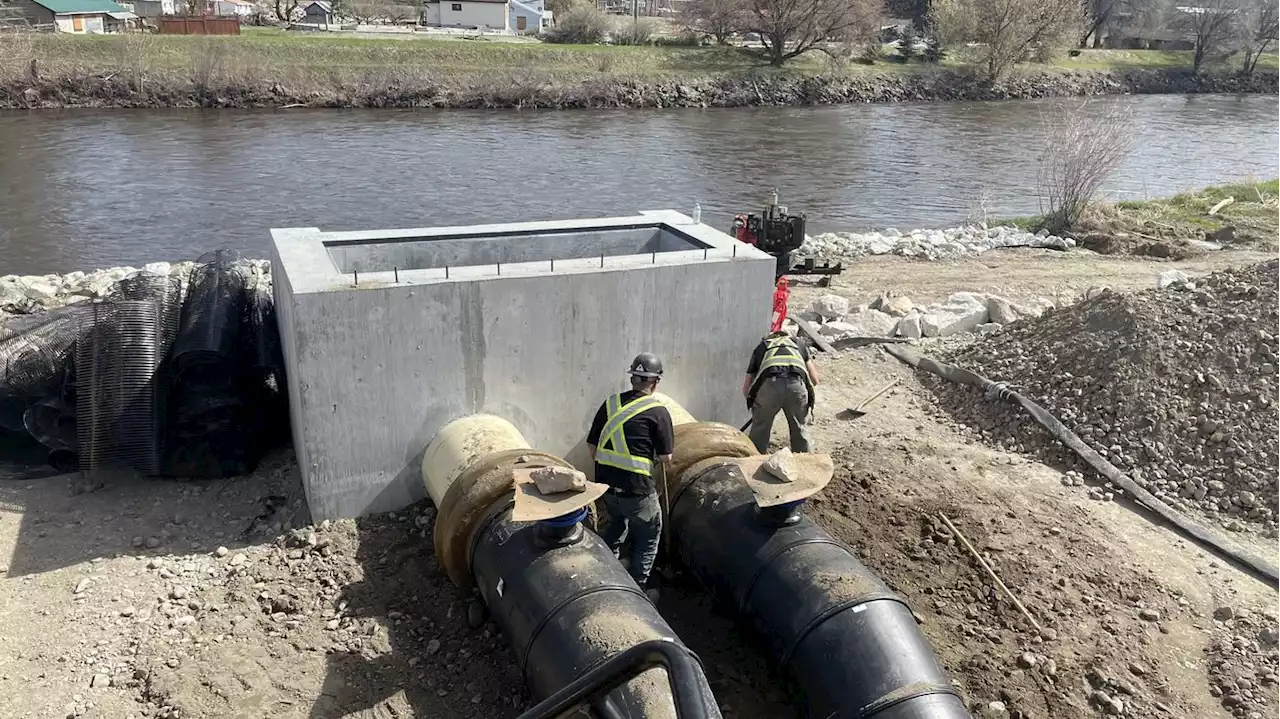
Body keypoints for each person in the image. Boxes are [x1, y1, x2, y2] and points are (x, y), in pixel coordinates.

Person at [587, 352, 674, 589]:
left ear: (633, 379)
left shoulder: (610, 403)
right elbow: (667, 457)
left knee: (615, 527)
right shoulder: (658, 412)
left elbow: (592, 446)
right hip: (638, 492)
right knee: (648, 536)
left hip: (606, 487)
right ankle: (638, 589)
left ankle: (608, 580)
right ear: (655, 383)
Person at [743, 330, 819, 454]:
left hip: (769, 388)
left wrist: (757, 409)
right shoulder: (799, 344)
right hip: (796, 386)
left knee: (759, 431)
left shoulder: (762, 347)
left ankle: (754, 462)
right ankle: (805, 464)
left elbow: (746, 388)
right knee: (800, 429)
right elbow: (815, 380)